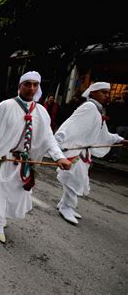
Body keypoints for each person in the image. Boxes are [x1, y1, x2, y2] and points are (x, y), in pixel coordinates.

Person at [0, 71, 72, 244]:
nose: (31, 88)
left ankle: (2, 216)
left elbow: (48, 137)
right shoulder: (6, 106)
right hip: (2, 159)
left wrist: (59, 157)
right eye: (27, 84)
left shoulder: (41, 112)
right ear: (20, 86)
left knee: (16, 192)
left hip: (24, 162)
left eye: (35, 85)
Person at [55, 82, 128, 224]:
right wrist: (57, 142)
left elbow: (103, 133)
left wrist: (120, 139)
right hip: (76, 151)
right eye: (103, 92)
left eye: (108, 93)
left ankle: (64, 203)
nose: (107, 96)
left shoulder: (97, 110)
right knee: (74, 179)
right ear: (93, 93)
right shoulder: (89, 107)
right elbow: (71, 125)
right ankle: (66, 207)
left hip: (83, 152)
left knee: (76, 178)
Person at [105, 90, 128, 162]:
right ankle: (108, 154)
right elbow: (110, 110)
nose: (124, 95)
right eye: (123, 93)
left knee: (119, 140)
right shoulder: (117, 103)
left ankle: (115, 156)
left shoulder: (121, 103)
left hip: (123, 124)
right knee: (110, 139)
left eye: (126, 94)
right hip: (114, 123)